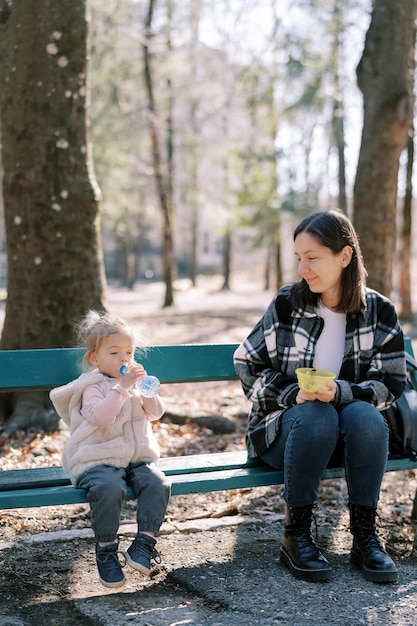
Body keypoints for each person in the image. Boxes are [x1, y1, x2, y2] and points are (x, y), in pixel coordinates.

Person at [234, 210, 406, 584]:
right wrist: (292, 393)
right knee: (316, 415)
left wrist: (342, 392)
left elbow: (392, 383)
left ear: (344, 257)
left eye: (312, 258)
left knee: (364, 416)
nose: (303, 269)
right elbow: (247, 362)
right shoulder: (287, 304)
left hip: (349, 437)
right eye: (299, 258)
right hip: (283, 432)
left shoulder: (379, 311)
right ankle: (295, 535)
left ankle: (364, 537)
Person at [50, 311, 171, 589]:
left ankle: (143, 544)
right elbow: (102, 418)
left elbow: (155, 415)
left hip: (133, 459)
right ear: (95, 359)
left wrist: (147, 392)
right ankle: (106, 550)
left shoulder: (134, 384)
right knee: (109, 487)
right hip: (96, 458)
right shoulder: (92, 387)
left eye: (128, 352)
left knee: (158, 483)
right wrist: (122, 388)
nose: (124, 359)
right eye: (115, 352)